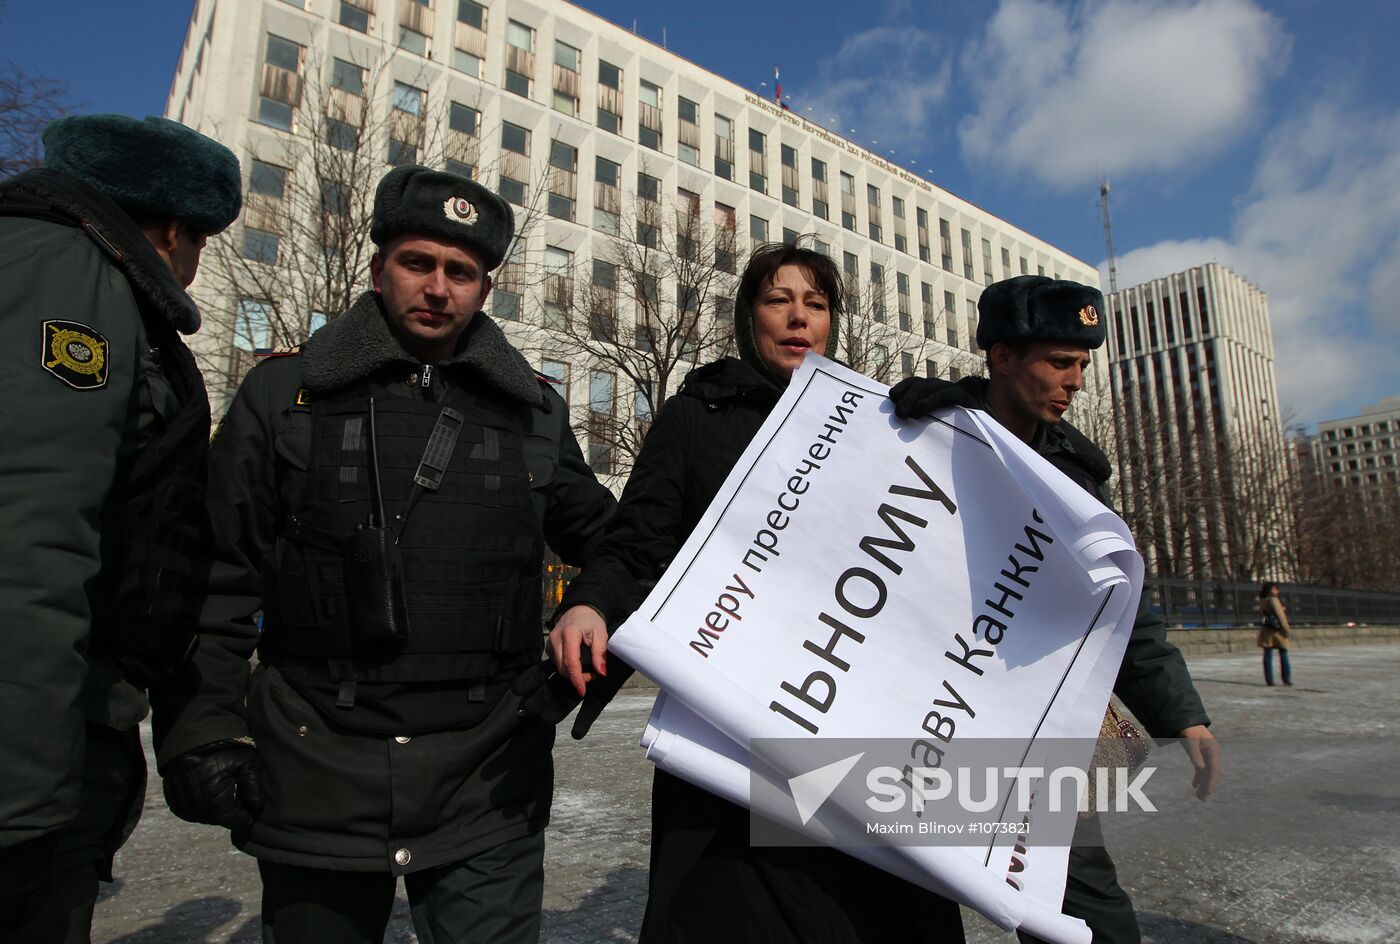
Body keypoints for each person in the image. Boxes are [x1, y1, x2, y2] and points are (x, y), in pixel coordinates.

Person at [151, 165, 616, 944]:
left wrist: (593, 603)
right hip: (316, 771)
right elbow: (213, 575)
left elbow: (614, 544)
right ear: (377, 271)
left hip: (488, 776)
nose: (437, 287)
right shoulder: (282, 395)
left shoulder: (535, 411)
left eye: (460, 272)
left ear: (485, 290)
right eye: (417, 263)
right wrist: (204, 730)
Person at [548, 243, 966, 943]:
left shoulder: (886, 426)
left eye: (816, 304)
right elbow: (635, 543)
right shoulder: (695, 417)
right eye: (779, 301)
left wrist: (963, 423)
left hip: (855, 724)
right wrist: (590, 601)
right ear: (750, 318)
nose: (799, 318)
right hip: (732, 731)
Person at [888, 275, 1223, 944]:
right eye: (1060, 362)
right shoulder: (927, 431)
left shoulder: (1078, 472)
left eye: (1082, 365)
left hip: (1036, 721)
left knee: (1075, 890)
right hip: (919, 708)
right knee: (899, 886)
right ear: (1002, 357)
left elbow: (1121, 608)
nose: (1075, 382)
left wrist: (1183, 715)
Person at [0, 114, 241, 941]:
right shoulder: (73, 283)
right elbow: (29, 545)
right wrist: (18, 810)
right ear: (173, 229)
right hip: (38, 744)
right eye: (201, 242)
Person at [1257, 582, 1292, 686]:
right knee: (1283, 653)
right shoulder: (1274, 600)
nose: (1277, 591)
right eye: (1275, 589)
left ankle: (1269, 680)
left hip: (1267, 630)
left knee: (1268, 655)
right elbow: (1281, 616)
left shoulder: (1262, 600)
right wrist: (1286, 629)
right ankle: (1286, 678)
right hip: (1277, 631)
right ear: (1270, 590)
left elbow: (1262, 613)